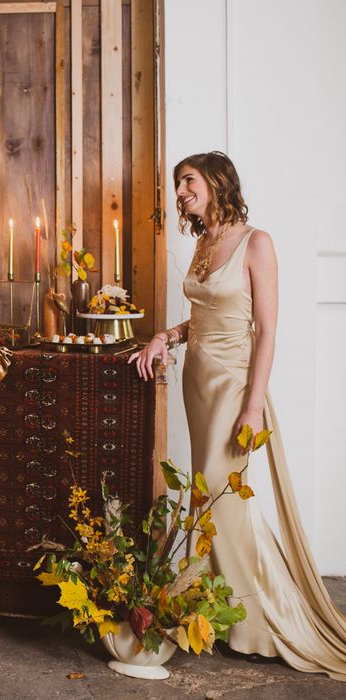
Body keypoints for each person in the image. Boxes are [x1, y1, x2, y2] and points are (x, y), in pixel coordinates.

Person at [130, 151, 346, 680]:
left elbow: (267, 331)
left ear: (216, 183)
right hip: (196, 383)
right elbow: (202, 313)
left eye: (187, 181)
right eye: (177, 184)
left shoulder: (257, 243)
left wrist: (253, 405)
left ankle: (253, 626)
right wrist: (165, 336)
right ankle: (219, 615)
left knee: (218, 493)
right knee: (209, 499)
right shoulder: (203, 243)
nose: (179, 192)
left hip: (233, 386)